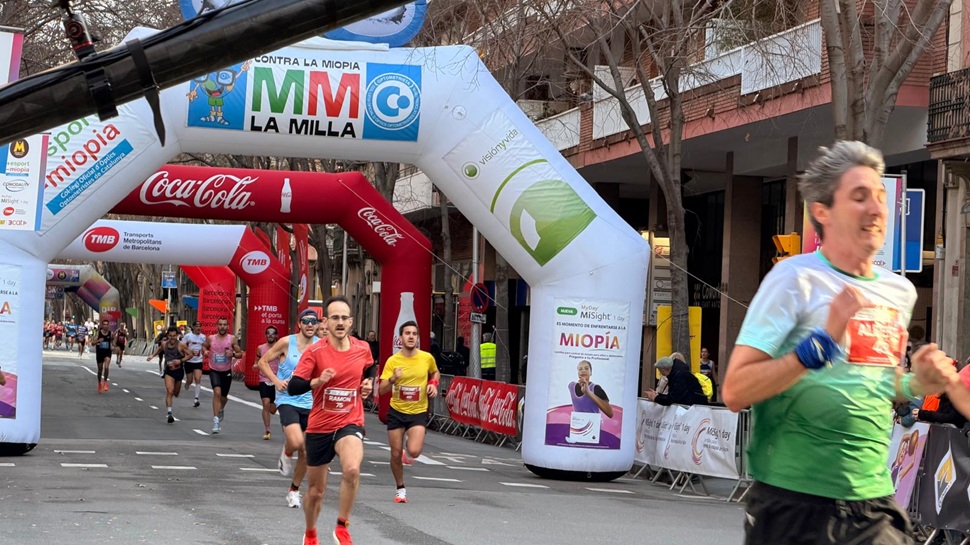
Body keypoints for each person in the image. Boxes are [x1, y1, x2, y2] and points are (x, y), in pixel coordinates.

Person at [720, 141, 958, 545]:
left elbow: (877, 381)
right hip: (794, 503)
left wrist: (916, 382)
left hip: (872, 501)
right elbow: (735, 391)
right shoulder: (794, 279)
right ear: (822, 212)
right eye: (859, 197)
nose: (876, 209)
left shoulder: (898, 291)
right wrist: (818, 346)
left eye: (880, 196)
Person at [288, 296, 374, 545]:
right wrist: (317, 381)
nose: (340, 322)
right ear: (325, 322)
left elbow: (370, 367)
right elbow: (294, 386)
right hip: (320, 426)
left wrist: (368, 382)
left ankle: (342, 527)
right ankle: (311, 532)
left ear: (351, 322)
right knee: (316, 493)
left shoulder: (362, 348)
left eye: (344, 318)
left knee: (352, 469)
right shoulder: (315, 352)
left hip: (350, 421)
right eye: (335, 317)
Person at [257, 308, 320, 509]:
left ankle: (294, 490)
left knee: (306, 452)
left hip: (311, 402)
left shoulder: (321, 345)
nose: (310, 325)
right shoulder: (286, 342)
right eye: (306, 321)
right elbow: (262, 362)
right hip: (288, 400)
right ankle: (287, 451)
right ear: (299, 324)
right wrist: (276, 381)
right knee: (296, 441)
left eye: (314, 321)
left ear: (317, 325)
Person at [378, 320, 439, 504]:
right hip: (397, 411)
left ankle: (409, 444)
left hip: (418, 411)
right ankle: (400, 488)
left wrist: (433, 384)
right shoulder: (393, 361)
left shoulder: (426, 358)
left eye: (414, 334)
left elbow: (435, 372)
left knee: (414, 451)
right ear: (401, 337)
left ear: (418, 338)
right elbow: (381, 390)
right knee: (395, 454)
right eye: (407, 333)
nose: (411, 337)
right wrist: (393, 378)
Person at [203, 317, 242, 434]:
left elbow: (240, 354)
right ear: (217, 326)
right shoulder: (211, 338)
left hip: (226, 371)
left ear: (228, 327)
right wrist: (205, 351)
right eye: (220, 324)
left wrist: (233, 353)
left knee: (223, 397)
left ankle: (220, 409)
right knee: (217, 393)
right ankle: (216, 421)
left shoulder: (232, 339)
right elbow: (204, 346)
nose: (222, 327)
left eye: (224, 325)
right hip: (214, 370)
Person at [147, 326, 193, 424]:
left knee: (176, 393)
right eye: (170, 336)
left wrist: (180, 361)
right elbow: (159, 349)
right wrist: (152, 356)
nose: (172, 338)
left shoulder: (181, 345)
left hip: (179, 371)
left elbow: (190, 355)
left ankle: (170, 408)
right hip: (169, 371)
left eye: (174, 336)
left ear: (177, 336)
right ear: (167, 336)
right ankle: (169, 413)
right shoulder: (164, 344)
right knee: (170, 391)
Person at [256, 325, 282, 441]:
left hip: (277, 380)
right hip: (264, 378)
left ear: (276, 335)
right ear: (266, 335)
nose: (270, 335)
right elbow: (257, 361)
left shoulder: (280, 348)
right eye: (268, 333)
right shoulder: (261, 348)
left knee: (273, 409)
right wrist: (256, 365)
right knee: (265, 403)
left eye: (273, 333)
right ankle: (267, 430)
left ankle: (274, 405)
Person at [181, 321, 206, 408]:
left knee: (198, 378)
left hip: (198, 360)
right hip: (189, 361)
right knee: (190, 380)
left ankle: (196, 399)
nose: (198, 328)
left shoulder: (203, 337)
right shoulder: (188, 336)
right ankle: (187, 383)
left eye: (199, 326)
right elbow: (182, 346)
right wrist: (188, 351)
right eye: (197, 326)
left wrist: (205, 351)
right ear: (193, 327)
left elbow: (204, 347)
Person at [93, 319, 115, 393]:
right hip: (100, 352)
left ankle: (105, 382)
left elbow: (112, 341)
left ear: (108, 325)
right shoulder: (98, 333)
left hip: (107, 352)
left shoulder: (110, 333)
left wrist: (112, 346)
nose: (106, 326)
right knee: (100, 369)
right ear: (102, 325)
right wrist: (98, 341)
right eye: (104, 324)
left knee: (106, 367)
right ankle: (99, 383)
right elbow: (92, 343)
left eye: (107, 324)